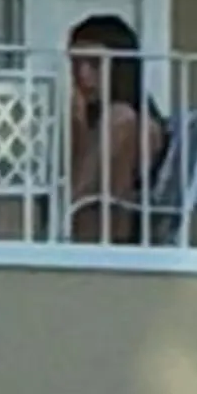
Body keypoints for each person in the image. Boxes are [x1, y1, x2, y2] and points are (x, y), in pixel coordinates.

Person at [66, 13, 168, 243]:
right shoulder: (92, 114)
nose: (82, 75)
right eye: (75, 63)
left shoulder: (128, 119)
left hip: (113, 236)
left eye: (94, 64)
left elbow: (80, 190)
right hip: (83, 229)